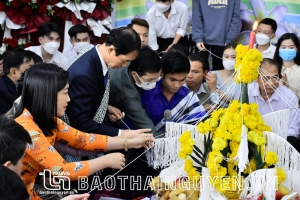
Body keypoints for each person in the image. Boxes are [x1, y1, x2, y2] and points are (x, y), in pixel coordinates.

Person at [13, 63, 154, 199]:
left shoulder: (46, 119)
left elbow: (84, 140)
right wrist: (106, 161)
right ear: (48, 94)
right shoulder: (28, 128)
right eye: (65, 93)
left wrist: (129, 141)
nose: (69, 99)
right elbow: (64, 171)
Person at [66, 27, 144, 138]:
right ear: (111, 50)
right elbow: (80, 122)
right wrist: (121, 133)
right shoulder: (84, 74)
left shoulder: (96, 55)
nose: (125, 65)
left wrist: (105, 107)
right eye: (125, 60)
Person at [0, 115, 91, 200]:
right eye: (22, 159)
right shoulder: (14, 193)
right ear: (7, 166)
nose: (68, 99)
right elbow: (67, 171)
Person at [248, 58, 300, 152]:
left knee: (294, 143)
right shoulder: (247, 93)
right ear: (256, 78)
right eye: (265, 78)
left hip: (281, 142)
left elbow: (294, 129)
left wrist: (273, 140)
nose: (271, 83)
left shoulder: (290, 97)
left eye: (275, 77)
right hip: (252, 140)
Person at [110, 45, 161, 134]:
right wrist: (161, 144)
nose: (154, 83)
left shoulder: (134, 59)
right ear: (134, 74)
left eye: (157, 79)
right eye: (149, 80)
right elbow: (145, 125)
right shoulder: (127, 93)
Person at [192, 0, 240, 70]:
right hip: (202, 42)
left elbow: (235, 17)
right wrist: (198, 38)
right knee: (199, 72)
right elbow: (196, 16)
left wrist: (230, 38)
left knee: (220, 74)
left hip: (224, 41)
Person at [0, 50, 34, 114]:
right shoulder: (1, 88)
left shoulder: (27, 84)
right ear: (13, 72)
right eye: (29, 69)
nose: (34, 73)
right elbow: (4, 119)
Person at [211, 43, 239, 107]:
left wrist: (230, 100)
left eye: (233, 57)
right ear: (222, 57)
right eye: (226, 56)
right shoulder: (212, 75)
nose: (229, 60)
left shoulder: (243, 80)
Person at [273, 33, 300, 100]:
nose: (287, 50)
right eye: (283, 47)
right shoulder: (271, 69)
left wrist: (287, 89)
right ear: (278, 49)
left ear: (297, 48)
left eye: (291, 47)